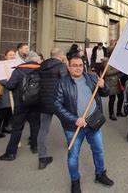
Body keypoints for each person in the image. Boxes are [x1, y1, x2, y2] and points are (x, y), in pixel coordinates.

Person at [53, 55, 113, 193]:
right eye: (74, 65)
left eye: (80, 65)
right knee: (73, 156)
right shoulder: (62, 83)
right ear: (68, 67)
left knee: (98, 151)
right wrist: (74, 119)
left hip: (93, 122)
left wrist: (104, 86)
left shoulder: (91, 78)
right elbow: (56, 105)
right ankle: (75, 181)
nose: (78, 68)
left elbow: (106, 93)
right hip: (74, 127)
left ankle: (100, 174)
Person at [0, 52, 42, 161]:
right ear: (36, 60)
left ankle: (11, 153)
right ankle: (35, 146)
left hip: (20, 103)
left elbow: (9, 86)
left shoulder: (18, 70)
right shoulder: (41, 70)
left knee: (17, 127)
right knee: (35, 124)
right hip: (36, 102)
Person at [37, 48, 68, 169]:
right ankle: (72, 144)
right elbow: (65, 83)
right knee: (67, 124)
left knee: (43, 129)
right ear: (60, 56)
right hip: (58, 100)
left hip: (44, 100)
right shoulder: (61, 66)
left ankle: (42, 157)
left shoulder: (42, 65)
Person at [0, 49, 16, 138]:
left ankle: (5, 127)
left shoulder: (15, 66)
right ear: (5, 56)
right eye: (10, 55)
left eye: (14, 55)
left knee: (9, 112)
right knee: (2, 112)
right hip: (4, 92)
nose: (12, 56)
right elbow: (1, 79)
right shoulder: (0, 66)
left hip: (13, 92)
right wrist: (12, 83)